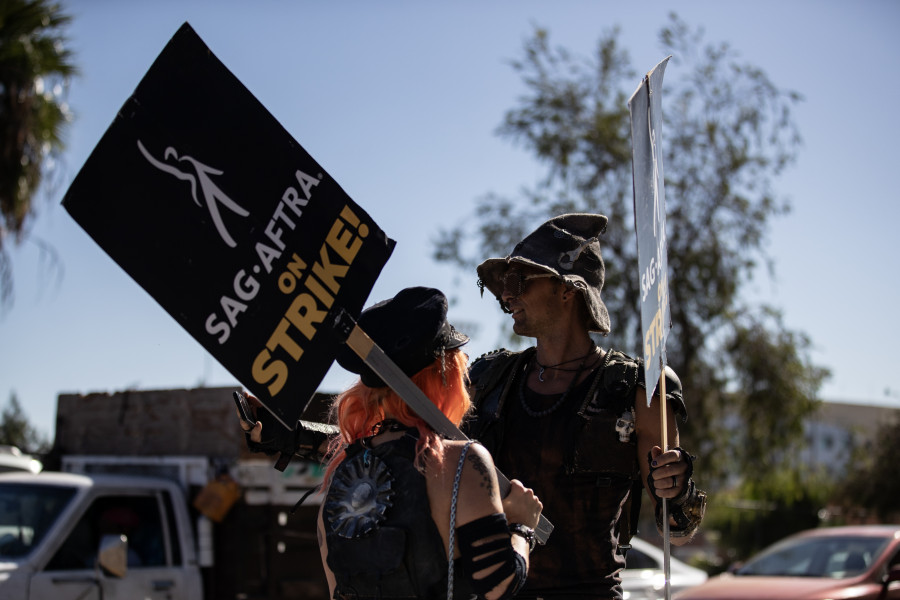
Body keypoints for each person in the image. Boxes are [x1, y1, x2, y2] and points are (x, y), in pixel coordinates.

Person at [241, 286, 543, 600]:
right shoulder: (461, 461)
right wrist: (521, 524)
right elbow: (497, 584)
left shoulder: (337, 482)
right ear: (446, 374)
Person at [464, 213, 707, 599]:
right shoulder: (488, 379)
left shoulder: (638, 389)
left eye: (520, 281)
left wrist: (675, 488)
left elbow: (677, 529)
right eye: (504, 285)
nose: (507, 295)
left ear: (567, 290)